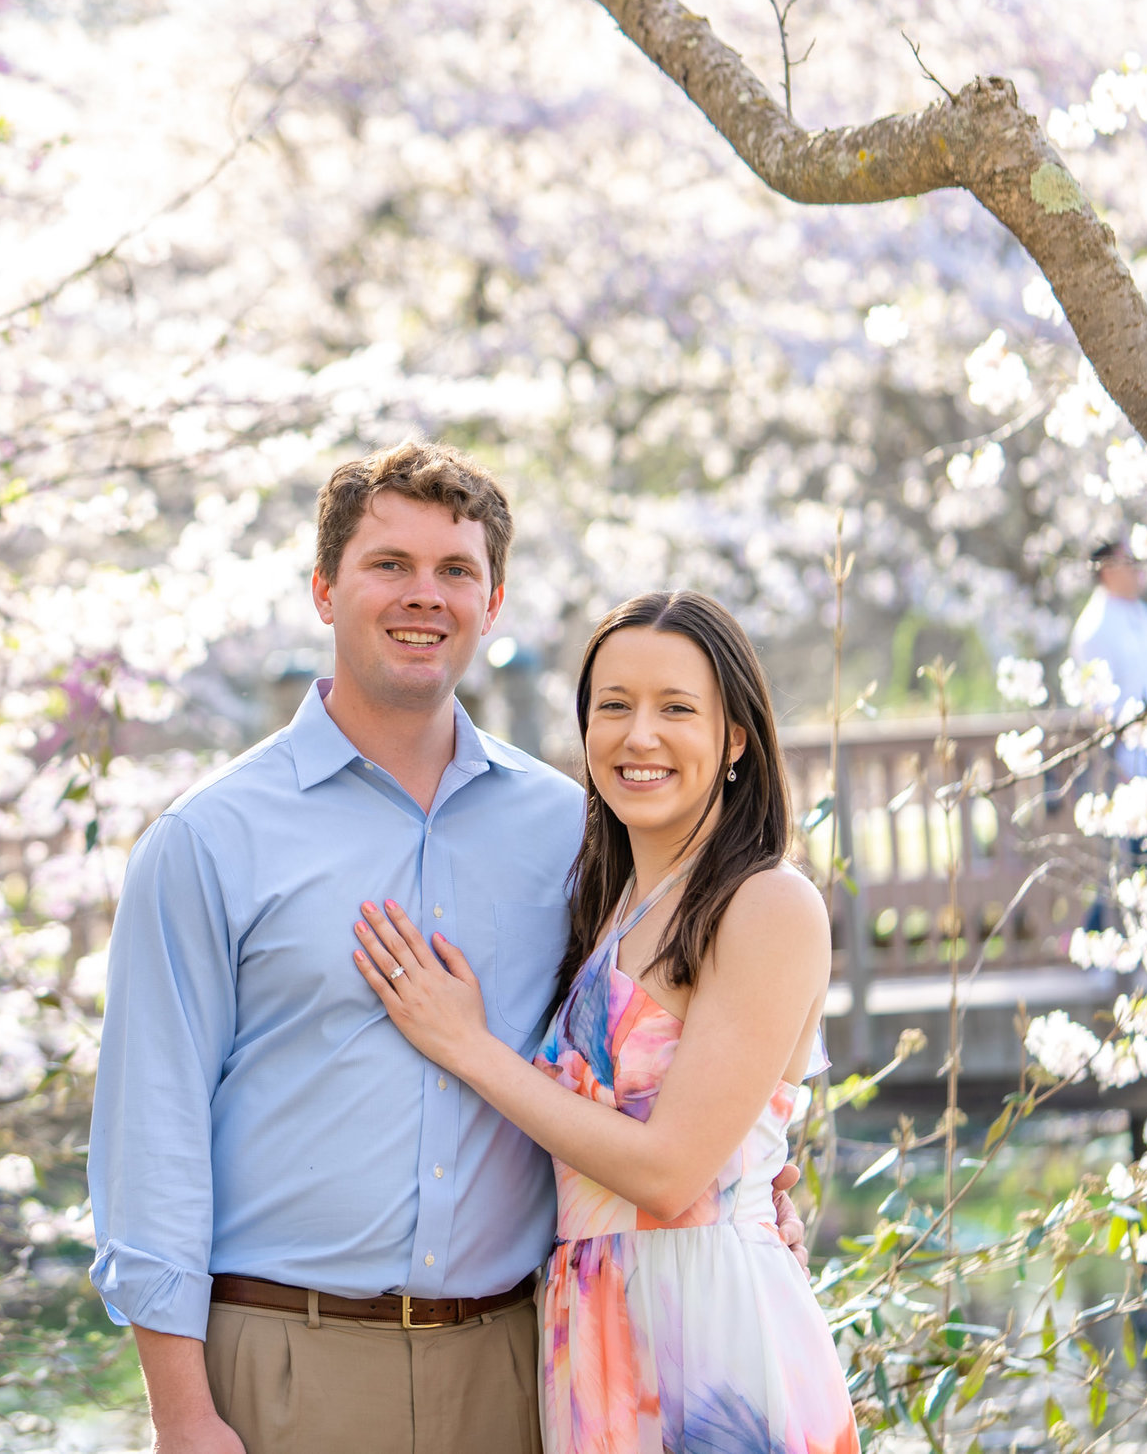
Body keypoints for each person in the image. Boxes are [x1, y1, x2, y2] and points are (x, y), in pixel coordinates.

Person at [88, 444, 803, 1454]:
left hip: (517, 1365)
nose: (423, 596)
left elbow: (672, 1038)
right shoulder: (208, 840)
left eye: (455, 571)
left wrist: (758, 1174)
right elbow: (147, 1138)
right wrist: (182, 1414)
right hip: (286, 1359)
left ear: (493, 601)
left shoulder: (573, 836)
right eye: (389, 564)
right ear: (324, 590)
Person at [355, 591, 857, 1454]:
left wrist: (469, 1048)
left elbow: (669, 1175)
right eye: (614, 707)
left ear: (735, 738)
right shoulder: (611, 903)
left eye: (677, 709)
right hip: (592, 1327)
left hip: (709, 1330)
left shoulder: (768, 904)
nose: (640, 736)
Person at [1069, 539, 1147, 781]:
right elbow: (1098, 703)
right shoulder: (1093, 626)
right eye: (1128, 562)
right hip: (1125, 755)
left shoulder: (1144, 613)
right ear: (1108, 570)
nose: (1137, 569)